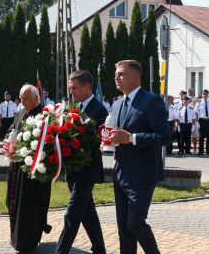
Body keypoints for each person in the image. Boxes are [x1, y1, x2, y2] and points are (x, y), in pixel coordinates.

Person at [109, 60, 171, 254]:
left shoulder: (151, 101)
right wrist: (110, 141)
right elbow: (118, 135)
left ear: (135, 76)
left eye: (121, 74)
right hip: (121, 173)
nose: (116, 78)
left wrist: (132, 138)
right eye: (116, 74)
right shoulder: (117, 103)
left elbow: (164, 136)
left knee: (135, 223)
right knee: (123, 229)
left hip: (143, 174)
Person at [57, 70, 107, 254]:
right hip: (74, 170)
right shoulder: (74, 108)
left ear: (87, 87)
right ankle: (99, 249)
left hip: (88, 170)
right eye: (70, 89)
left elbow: (97, 142)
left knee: (72, 213)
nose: (72, 92)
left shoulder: (99, 110)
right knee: (87, 212)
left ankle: (60, 251)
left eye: (75, 88)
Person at [2, 85, 52, 253]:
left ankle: (28, 241)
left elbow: (47, 143)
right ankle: (17, 238)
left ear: (36, 99)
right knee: (13, 202)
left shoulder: (44, 116)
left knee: (29, 206)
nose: (21, 102)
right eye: (20, 98)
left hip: (33, 172)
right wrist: (8, 142)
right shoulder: (23, 111)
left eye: (25, 99)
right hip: (16, 166)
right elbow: (13, 128)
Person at [194, 89, 209, 155]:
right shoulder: (199, 103)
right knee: (201, 136)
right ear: (202, 95)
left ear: (208, 95)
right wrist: (197, 122)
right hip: (201, 120)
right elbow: (196, 113)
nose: (205, 95)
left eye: (206, 94)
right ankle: (200, 151)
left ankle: (208, 151)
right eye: (204, 94)